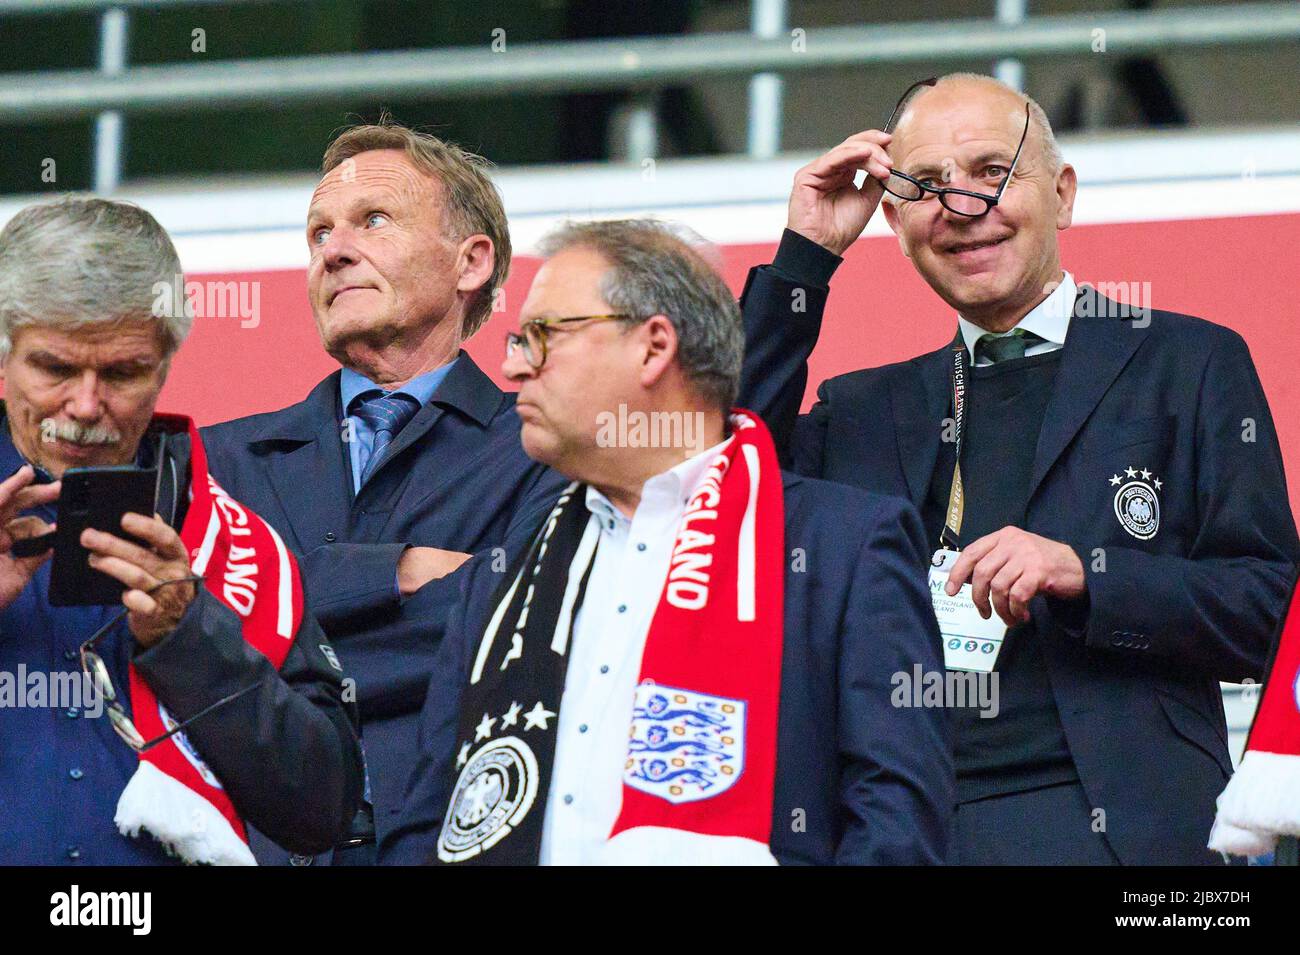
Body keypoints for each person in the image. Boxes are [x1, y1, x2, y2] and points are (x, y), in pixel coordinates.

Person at [737, 72, 1300, 864]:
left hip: (1127, 827)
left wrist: (1088, 574)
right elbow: (717, 473)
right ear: (894, 222)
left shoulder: (1188, 361)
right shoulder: (861, 408)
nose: (961, 208)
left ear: (1063, 194)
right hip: (901, 828)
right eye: (927, 186)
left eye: (992, 172)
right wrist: (804, 260)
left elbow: (1270, 610)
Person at [380, 219, 953, 865]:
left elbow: (896, 825)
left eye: (541, 336)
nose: (513, 365)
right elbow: (424, 826)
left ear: (653, 347)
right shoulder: (501, 582)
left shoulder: (843, 546)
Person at [202, 121, 567, 864]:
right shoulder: (215, 458)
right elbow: (182, 642)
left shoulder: (545, 451)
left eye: (373, 220)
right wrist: (397, 574)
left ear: (471, 262)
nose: (332, 251)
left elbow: (512, 644)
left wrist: (271, 614)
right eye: (317, 234)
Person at [0, 197, 363, 865]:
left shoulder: (233, 536)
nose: (85, 405)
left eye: (122, 373)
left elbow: (324, 808)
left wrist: (189, 636)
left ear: (166, 364)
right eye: (53, 368)